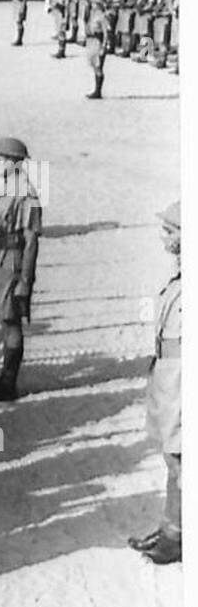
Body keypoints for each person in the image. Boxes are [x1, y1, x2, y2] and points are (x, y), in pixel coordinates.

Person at [130, 202, 182, 564]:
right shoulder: (180, 273)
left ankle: (178, 536)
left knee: (182, 459)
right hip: (168, 372)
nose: (164, 237)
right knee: (172, 455)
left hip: (183, 377)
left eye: (171, 231)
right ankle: (171, 529)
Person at [0, 137, 40, 403]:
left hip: (13, 264)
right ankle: (4, 376)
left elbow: (31, 241)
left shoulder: (26, 193)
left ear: (14, 162)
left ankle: (9, 383)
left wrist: (25, 279)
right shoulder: (9, 187)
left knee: (11, 321)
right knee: (5, 320)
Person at [85, 0, 108, 99]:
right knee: (93, 64)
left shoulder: (102, 16)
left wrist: (104, 45)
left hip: (98, 41)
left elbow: (106, 32)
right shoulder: (92, 14)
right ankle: (96, 89)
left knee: (98, 66)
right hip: (91, 40)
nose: (92, 5)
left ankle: (98, 90)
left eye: (94, 3)